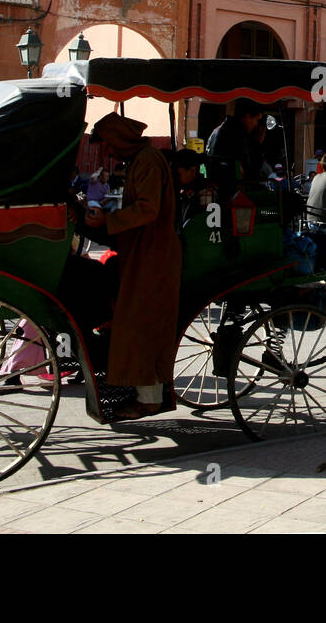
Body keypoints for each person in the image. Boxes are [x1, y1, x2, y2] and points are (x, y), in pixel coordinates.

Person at [83, 112, 181, 421]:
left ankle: (149, 399)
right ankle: (139, 392)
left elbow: (148, 209)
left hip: (153, 255)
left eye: (110, 147)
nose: (109, 154)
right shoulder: (141, 161)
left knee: (141, 325)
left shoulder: (148, 160)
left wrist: (108, 221)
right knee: (135, 322)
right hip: (142, 252)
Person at [206, 99, 266, 187]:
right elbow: (246, 167)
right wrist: (258, 144)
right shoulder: (237, 134)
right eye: (256, 119)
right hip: (229, 187)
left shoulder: (219, 129)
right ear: (247, 116)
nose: (256, 124)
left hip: (217, 183)